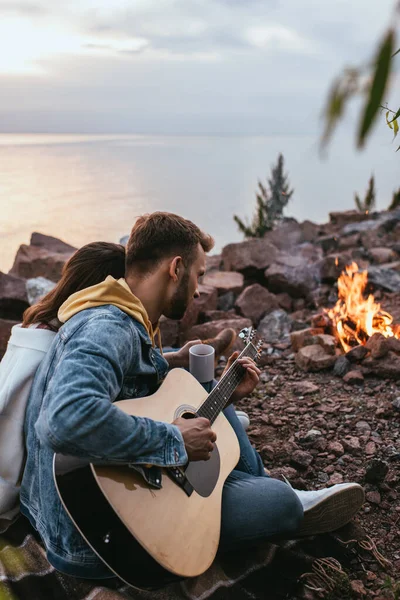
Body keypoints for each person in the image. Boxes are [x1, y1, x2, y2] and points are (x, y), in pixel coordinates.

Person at [20, 212, 364, 580]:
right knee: (280, 506)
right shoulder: (107, 328)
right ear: (176, 268)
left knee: (197, 383)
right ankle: (269, 492)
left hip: (99, 498)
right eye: (199, 275)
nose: (199, 289)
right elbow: (65, 420)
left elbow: (128, 394)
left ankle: (235, 485)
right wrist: (174, 440)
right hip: (91, 535)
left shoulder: (124, 316)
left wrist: (219, 394)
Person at [0, 240, 237, 520]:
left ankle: (203, 376)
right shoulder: (83, 336)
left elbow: (126, 370)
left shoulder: (48, 325)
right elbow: (53, 426)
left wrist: (175, 360)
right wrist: (173, 438)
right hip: (30, 487)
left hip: (61, 458)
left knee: (174, 361)